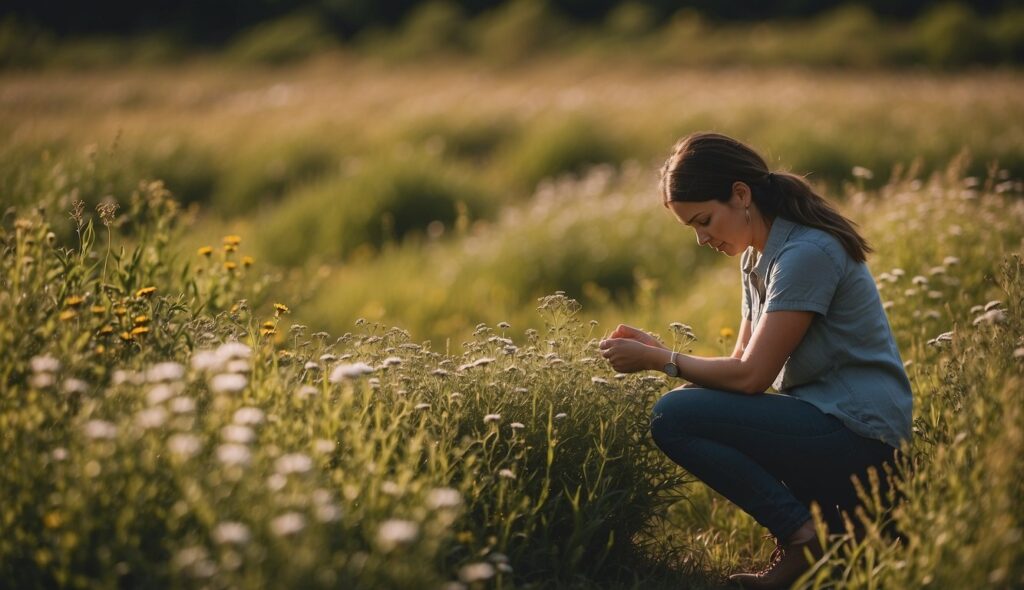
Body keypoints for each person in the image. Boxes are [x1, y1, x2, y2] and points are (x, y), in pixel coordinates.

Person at [598, 132, 912, 589]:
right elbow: (741, 364)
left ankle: (806, 539)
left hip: (860, 433)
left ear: (741, 194)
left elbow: (750, 378)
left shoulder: (806, 253)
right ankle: (831, 533)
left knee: (674, 414)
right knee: (688, 406)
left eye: (704, 221)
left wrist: (659, 360)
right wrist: (657, 349)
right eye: (693, 228)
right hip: (822, 421)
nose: (703, 238)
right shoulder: (756, 257)